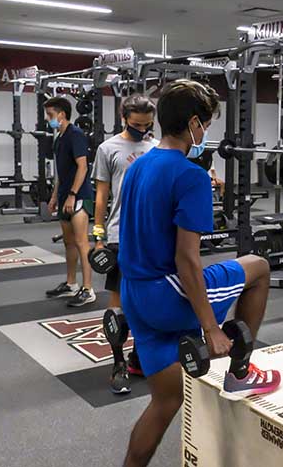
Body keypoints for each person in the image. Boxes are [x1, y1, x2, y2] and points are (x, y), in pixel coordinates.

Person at [118, 79, 280, 467]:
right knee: (257, 267)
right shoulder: (191, 176)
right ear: (193, 123)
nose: (206, 132)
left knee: (165, 401)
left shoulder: (139, 165)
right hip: (168, 295)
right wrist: (210, 327)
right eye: (205, 124)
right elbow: (187, 260)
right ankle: (240, 368)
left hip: (134, 294)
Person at [92, 94, 157, 394]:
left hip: (152, 234)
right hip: (120, 234)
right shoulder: (108, 148)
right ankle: (118, 363)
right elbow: (102, 195)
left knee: (149, 303)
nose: (141, 130)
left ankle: (139, 359)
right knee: (119, 306)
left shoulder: (156, 147)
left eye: (147, 125)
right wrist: (98, 236)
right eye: (135, 125)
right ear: (123, 119)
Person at [44, 96, 96, 307]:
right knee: (68, 243)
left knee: (82, 242)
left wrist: (73, 194)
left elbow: (82, 167)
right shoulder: (59, 137)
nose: (48, 119)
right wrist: (55, 196)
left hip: (79, 196)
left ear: (62, 114)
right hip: (66, 195)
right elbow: (62, 172)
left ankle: (88, 289)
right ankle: (71, 283)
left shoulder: (76, 135)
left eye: (50, 115)